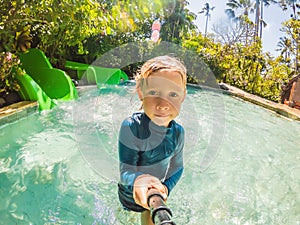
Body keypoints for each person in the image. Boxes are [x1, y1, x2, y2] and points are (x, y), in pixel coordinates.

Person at [118, 55, 187, 225]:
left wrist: (165, 188)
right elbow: (125, 170)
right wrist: (139, 180)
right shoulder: (131, 126)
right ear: (141, 92)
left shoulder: (178, 133)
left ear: (183, 96)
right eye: (154, 92)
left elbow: (177, 167)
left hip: (156, 196)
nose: (163, 104)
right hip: (129, 193)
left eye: (173, 94)